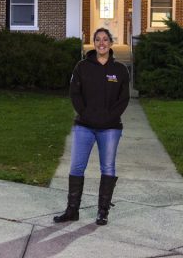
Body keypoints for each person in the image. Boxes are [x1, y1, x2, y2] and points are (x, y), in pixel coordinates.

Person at [54, 27, 130, 226]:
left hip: (110, 129)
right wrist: (86, 114)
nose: (102, 43)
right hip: (84, 126)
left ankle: (102, 212)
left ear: (111, 43)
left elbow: (123, 100)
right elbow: (75, 94)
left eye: (105, 39)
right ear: (94, 43)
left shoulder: (120, 70)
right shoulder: (82, 67)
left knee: (108, 167)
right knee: (77, 167)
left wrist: (108, 118)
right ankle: (72, 211)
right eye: (98, 39)